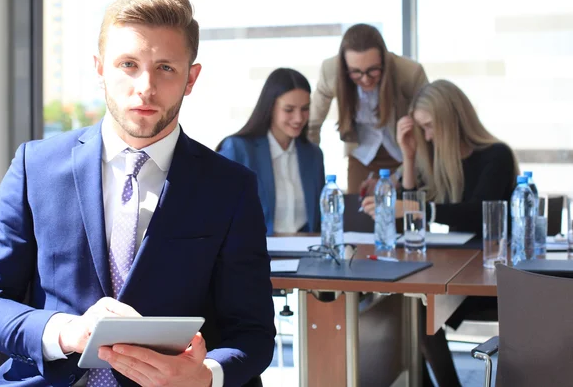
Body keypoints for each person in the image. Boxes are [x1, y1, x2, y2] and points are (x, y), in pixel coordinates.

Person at [0, 0, 275, 386]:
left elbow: (253, 333)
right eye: (128, 64)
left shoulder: (231, 187)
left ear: (191, 78)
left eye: (165, 67)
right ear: (99, 69)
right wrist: (66, 332)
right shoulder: (37, 166)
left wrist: (204, 376)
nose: (145, 87)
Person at [363, 79, 518, 386]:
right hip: (457, 273)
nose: (428, 136)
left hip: (494, 277)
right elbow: (412, 219)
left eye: (431, 126)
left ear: (452, 119)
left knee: (417, 311)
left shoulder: (496, 155)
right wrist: (408, 157)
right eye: (422, 129)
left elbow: (478, 213)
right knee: (409, 306)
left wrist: (416, 209)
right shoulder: (437, 158)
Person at [308, 23, 428, 194]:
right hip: (361, 156)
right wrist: (310, 171)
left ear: (384, 62)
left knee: (405, 213)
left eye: (373, 70)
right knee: (359, 216)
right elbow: (311, 125)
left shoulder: (410, 73)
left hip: (407, 156)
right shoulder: (331, 71)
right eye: (356, 72)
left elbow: (429, 131)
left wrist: (396, 178)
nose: (365, 79)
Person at [217, 68, 325, 236]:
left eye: (305, 109)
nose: (299, 118)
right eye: (289, 110)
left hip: (306, 253)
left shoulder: (313, 155)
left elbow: (319, 220)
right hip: (253, 256)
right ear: (270, 107)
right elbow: (216, 214)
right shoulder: (238, 150)